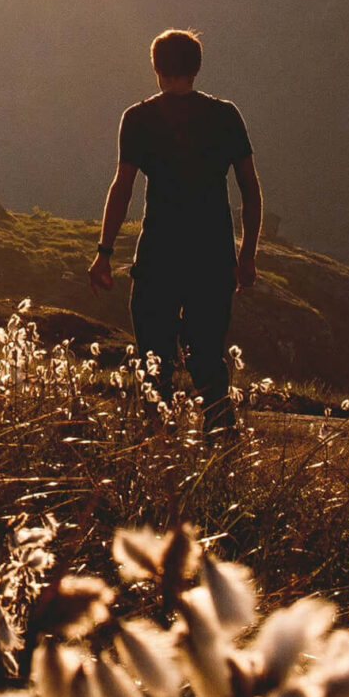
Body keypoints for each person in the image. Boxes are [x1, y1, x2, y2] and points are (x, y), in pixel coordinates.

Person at [87, 29, 261, 431]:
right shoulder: (225, 116)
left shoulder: (138, 118)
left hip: (158, 258)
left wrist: (104, 251)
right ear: (197, 68)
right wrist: (247, 254)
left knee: (154, 363)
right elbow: (250, 189)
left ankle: (157, 454)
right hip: (213, 258)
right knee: (208, 363)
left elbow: (123, 187)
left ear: (156, 68)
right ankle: (221, 456)